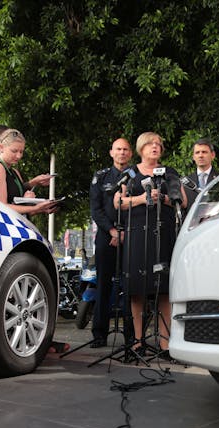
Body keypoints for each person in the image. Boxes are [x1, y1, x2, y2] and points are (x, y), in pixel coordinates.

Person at [113, 132, 187, 358]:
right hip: (137, 234)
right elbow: (118, 202)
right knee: (137, 290)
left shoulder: (170, 173)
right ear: (141, 148)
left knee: (164, 289)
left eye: (158, 145)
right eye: (150, 144)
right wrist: (141, 200)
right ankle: (137, 342)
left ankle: (165, 344)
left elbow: (182, 201)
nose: (155, 147)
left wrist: (163, 199)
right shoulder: (130, 173)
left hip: (163, 234)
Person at [88, 138, 134, 348]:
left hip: (131, 236)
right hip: (107, 237)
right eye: (118, 149)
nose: (122, 152)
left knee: (130, 287)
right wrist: (113, 230)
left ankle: (131, 336)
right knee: (103, 286)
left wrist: (124, 231)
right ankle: (99, 334)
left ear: (131, 153)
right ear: (111, 152)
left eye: (125, 149)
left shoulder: (137, 176)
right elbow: (95, 210)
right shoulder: (101, 176)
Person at [0, 129, 58, 216]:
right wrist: (34, 208)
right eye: (14, 151)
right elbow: (0, 207)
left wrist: (41, 208)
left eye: (21, 152)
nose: (18, 156)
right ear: (1, 147)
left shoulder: (15, 172)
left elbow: (21, 210)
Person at [181, 138, 219, 218]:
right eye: (197, 153)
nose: (200, 155)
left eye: (204, 152)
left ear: (213, 155)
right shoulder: (185, 183)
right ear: (193, 157)